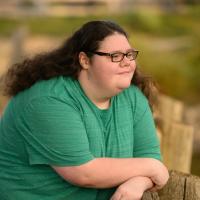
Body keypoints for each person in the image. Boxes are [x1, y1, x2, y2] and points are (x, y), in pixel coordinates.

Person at [0, 20, 169, 200]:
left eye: (129, 54)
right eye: (116, 56)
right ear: (85, 60)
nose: (127, 62)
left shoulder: (133, 98)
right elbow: (83, 173)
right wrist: (152, 168)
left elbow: (149, 157)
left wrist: (137, 183)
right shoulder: (49, 100)